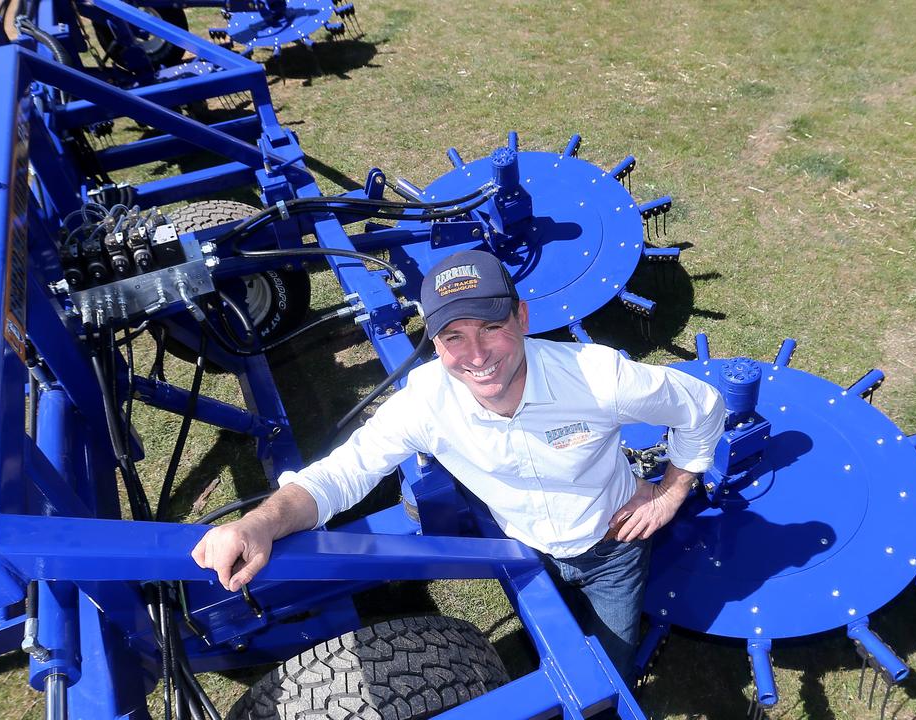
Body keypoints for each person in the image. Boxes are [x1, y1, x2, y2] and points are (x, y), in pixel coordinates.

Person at [192, 249, 724, 680]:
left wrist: (672, 489)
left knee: (609, 672)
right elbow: (341, 473)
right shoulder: (425, 404)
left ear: (521, 316)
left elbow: (701, 405)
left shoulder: (599, 377)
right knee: (554, 645)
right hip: (523, 547)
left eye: (489, 326)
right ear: (435, 341)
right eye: (453, 336)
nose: (476, 354)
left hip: (612, 550)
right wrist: (257, 522)